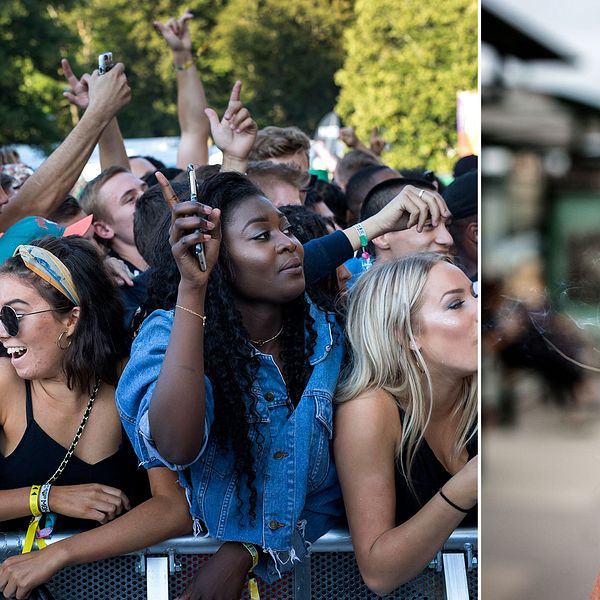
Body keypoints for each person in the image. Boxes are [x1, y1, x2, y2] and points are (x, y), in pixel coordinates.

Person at [0, 236, 191, 599]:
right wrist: (48, 498)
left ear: (71, 319)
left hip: (124, 589)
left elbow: (173, 507)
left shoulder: (129, 379)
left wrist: (60, 553)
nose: (1, 332)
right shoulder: (4, 382)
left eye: (13, 314)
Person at [334, 253, 478, 595]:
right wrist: (469, 483)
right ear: (405, 333)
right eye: (456, 305)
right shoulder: (368, 410)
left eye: (474, 295)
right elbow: (378, 572)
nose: (479, 311)